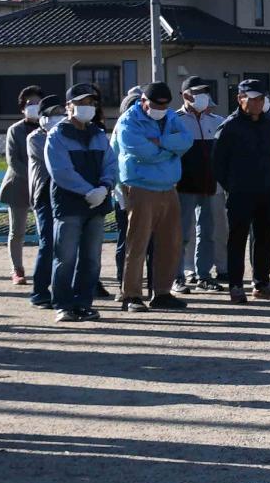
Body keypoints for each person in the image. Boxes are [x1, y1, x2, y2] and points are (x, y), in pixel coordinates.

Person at [112, 81, 193, 313]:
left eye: (165, 105)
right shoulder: (129, 121)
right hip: (140, 187)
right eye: (157, 105)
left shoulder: (170, 117)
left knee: (171, 242)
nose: (161, 109)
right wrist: (170, 150)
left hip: (168, 187)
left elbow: (186, 141)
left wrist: (161, 143)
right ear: (144, 101)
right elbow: (141, 152)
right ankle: (132, 295)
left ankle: (162, 293)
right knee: (137, 243)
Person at [44, 83, 115, 323]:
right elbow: (61, 171)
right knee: (65, 258)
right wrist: (88, 191)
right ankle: (63, 305)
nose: (87, 107)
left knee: (91, 259)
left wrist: (104, 187)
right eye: (81, 103)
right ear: (68, 107)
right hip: (69, 206)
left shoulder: (97, 133)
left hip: (97, 204)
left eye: (91, 103)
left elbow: (110, 163)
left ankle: (84, 303)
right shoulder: (57, 134)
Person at [213, 80, 270, 304]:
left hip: (266, 192)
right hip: (240, 193)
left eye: (260, 99)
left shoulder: (269, 125)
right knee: (237, 239)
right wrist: (232, 186)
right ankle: (235, 285)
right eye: (251, 98)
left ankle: (261, 283)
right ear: (239, 98)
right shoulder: (229, 126)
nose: (256, 103)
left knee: (264, 238)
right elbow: (217, 163)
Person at [173, 78, 226, 294]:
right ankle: (177, 276)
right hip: (183, 186)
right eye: (197, 92)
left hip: (209, 185)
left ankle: (203, 275)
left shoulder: (217, 120)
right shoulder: (174, 120)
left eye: (205, 91)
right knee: (182, 233)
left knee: (207, 232)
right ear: (186, 95)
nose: (203, 95)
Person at [0, 84, 43, 286]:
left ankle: (45, 268)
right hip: (18, 185)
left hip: (43, 185)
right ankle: (17, 269)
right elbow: (13, 161)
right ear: (22, 108)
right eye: (29, 103)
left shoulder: (49, 127)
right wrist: (33, 175)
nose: (33, 106)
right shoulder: (14, 130)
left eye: (37, 102)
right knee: (17, 231)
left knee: (45, 230)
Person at [27, 94, 62, 310]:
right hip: (43, 194)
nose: (58, 117)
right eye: (52, 114)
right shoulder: (35, 138)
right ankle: (39, 292)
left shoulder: (68, 134)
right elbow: (55, 160)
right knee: (47, 243)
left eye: (61, 113)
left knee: (66, 245)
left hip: (66, 193)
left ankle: (64, 289)